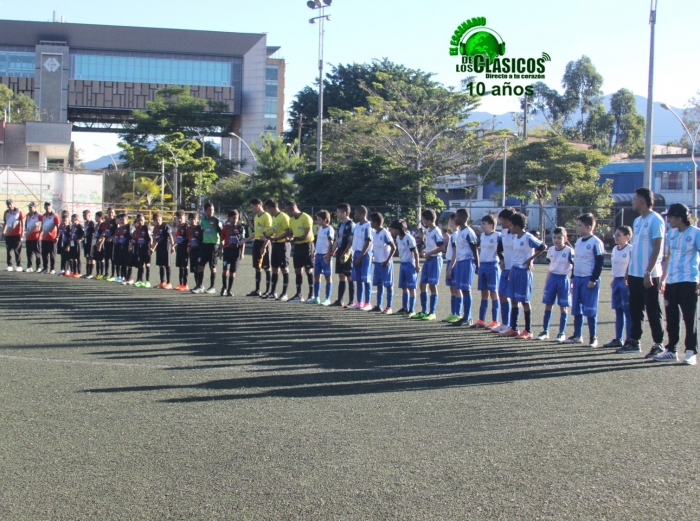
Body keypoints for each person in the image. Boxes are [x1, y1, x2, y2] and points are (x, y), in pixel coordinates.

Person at [616, 188, 665, 357]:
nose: (632, 201)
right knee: (635, 309)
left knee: (653, 309)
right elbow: (636, 249)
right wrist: (629, 270)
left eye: (634, 199)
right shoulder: (637, 221)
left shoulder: (656, 220)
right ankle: (634, 341)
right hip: (636, 274)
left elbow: (658, 248)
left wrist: (648, 272)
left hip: (649, 275)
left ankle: (659, 344)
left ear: (642, 201)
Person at [655, 203, 700, 365]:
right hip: (672, 281)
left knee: (689, 318)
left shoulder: (696, 233)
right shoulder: (671, 233)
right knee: (672, 318)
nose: (669, 221)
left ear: (679, 218)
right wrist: (663, 278)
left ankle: (690, 352)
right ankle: (671, 350)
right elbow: (668, 257)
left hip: (689, 281)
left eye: (671, 218)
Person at [501, 212, 546, 339]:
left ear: (516, 226)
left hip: (524, 273)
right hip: (514, 271)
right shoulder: (515, 237)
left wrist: (531, 259)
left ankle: (528, 330)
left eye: (511, 225)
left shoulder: (528, 237)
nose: (509, 228)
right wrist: (511, 270)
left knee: (524, 301)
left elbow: (543, 246)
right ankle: (514, 328)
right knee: (514, 300)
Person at [563, 214, 605, 347]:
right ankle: (577, 335)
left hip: (589, 280)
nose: (578, 228)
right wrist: (573, 277)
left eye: (580, 225)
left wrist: (593, 279)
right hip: (578, 279)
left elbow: (599, 262)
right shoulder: (579, 241)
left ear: (588, 227)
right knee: (576, 308)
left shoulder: (596, 242)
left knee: (590, 310)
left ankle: (593, 337)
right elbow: (577, 261)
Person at [536, 227, 574, 342]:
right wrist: (546, 282)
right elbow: (550, 267)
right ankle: (545, 331)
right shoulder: (551, 250)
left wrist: (571, 283)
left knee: (563, 307)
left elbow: (574, 268)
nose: (556, 240)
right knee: (548, 304)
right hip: (552, 279)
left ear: (565, 239)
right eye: (554, 237)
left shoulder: (569, 251)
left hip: (563, 279)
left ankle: (561, 333)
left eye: (559, 238)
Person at [446, 208, 479, 326]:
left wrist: (477, 265)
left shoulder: (469, 232)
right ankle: (464, 317)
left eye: (457, 217)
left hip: (467, 262)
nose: (455, 219)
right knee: (461, 289)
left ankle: (468, 317)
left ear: (463, 218)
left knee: (466, 290)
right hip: (460, 262)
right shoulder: (459, 232)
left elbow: (475, 249)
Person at [603, 226, 633, 348]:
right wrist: (614, 278)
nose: (616, 237)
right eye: (615, 234)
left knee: (628, 311)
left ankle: (630, 339)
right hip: (616, 281)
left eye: (619, 235)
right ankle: (618, 338)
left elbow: (632, 266)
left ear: (627, 237)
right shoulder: (615, 249)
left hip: (627, 282)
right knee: (618, 311)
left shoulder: (631, 249)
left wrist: (627, 278)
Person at [414, 209, 445, 321]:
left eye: (423, 219)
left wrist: (430, 253)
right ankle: (423, 311)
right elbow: (429, 246)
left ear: (428, 220)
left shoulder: (437, 231)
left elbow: (441, 248)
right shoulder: (428, 231)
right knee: (422, 284)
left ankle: (432, 312)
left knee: (432, 285)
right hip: (428, 259)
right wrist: (424, 251)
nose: (422, 221)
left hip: (435, 260)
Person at [473, 214, 501, 329]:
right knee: (484, 293)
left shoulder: (498, 235)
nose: (481, 226)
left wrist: (499, 254)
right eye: (481, 224)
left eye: (484, 224)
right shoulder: (483, 236)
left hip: (492, 266)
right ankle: (481, 319)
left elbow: (504, 247)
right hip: (483, 266)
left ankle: (495, 320)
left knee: (493, 292)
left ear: (491, 225)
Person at [491, 208, 517, 334]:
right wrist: (501, 259)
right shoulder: (504, 233)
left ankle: (512, 325)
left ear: (508, 220)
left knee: (513, 298)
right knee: (502, 294)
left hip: (515, 269)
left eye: (502, 220)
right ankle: (505, 323)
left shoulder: (518, 234)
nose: (500, 223)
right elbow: (500, 248)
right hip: (505, 269)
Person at [285, 201, 315, 302]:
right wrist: (289, 237)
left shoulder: (306, 218)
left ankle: (311, 294)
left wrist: (294, 239)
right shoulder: (291, 220)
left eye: (288, 211)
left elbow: (307, 235)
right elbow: (290, 233)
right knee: (297, 270)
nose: (287, 213)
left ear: (293, 209)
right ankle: (299, 295)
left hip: (307, 246)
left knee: (308, 270)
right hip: (297, 246)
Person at [390, 219, 420, 317]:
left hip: (410, 264)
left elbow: (415, 252)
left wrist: (417, 265)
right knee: (403, 287)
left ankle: (411, 309)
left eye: (393, 229)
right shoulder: (398, 238)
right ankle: (404, 308)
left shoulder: (409, 238)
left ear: (398, 229)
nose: (392, 231)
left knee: (411, 287)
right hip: (402, 264)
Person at [262, 199, 291, 301]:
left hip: (283, 245)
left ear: (271, 208)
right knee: (275, 268)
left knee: (284, 268)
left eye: (267, 209)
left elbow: (288, 232)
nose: (267, 211)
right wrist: (268, 235)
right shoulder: (274, 217)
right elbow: (274, 230)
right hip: (275, 244)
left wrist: (277, 238)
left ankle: (284, 293)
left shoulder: (283, 217)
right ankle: (273, 292)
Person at [243, 198, 272, 297]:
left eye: (252, 207)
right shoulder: (256, 217)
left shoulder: (267, 216)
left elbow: (269, 234)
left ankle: (268, 291)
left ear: (257, 206)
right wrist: (245, 240)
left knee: (267, 267)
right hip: (257, 243)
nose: (251, 209)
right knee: (257, 267)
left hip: (264, 244)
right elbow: (256, 233)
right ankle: (257, 290)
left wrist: (264, 247)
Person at [369, 212, 396, 313]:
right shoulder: (374, 232)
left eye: (371, 221)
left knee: (388, 285)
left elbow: (393, 247)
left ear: (375, 222)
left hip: (385, 264)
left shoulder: (385, 233)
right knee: (379, 284)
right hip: (377, 263)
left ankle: (389, 307)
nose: (370, 223)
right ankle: (378, 305)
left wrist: (387, 260)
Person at [195, 202, 223, 295]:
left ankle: (212, 287)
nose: (211, 212)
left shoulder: (216, 221)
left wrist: (220, 247)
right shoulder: (202, 221)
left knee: (212, 267)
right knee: (200, 266)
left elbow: (222, 234)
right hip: (204, 245)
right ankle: (200, 286)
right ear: (205, 210)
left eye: (212, 210)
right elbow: (202, 232)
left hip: (213, 245)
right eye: (209, 210)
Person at [309, 209, 336, 306]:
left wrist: (329, 255)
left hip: (325, 255)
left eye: (319, 220)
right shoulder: (320, 229)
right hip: (318, 255)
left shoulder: (330, 229)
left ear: (325, 220)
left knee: (328, 277)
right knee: (316, 276)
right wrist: (314, 252)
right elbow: (318, 241)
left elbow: (331, 243)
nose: (317, 221)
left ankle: (327, 298)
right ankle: (316, 297)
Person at [331, 203, 355, 307]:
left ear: (344, 213)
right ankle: (340, 300)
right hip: (340, 251)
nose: (336, 214)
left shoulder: (351, 225)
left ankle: (351, 301)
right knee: (341, 275)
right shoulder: (340, 225)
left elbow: (351, 242)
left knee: (349, 276)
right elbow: (336, 240)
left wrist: (345, 253)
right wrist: (332, 252)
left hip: (347, 252)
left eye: (338, 212)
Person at [350, 205, 373, 310]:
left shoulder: (368, 226)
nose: (354, 215)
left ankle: (368, 303)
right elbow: (353, 241)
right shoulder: (357, 226)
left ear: (362, 214)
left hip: (365, 254)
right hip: (356, 253)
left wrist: (360, 256)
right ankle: (359, 302)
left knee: (366, 279)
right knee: (358, 279)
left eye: (356, 213)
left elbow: (368, 242)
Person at [442, 214, 463, 323]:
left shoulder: (456, 235)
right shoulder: (453, 235)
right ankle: (453, 312)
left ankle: (458, 314)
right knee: (452, 289)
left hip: (454, 263)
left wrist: (451, 268)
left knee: (456, 289)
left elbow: (455, 253)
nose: (449, 222)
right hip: (450, 262)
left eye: (450, 220)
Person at [220, 210, 246, 296]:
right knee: (225, 270)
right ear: (229, 218)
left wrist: (242, 253)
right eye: (233, 218)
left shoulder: (240, 228)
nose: (235, 220)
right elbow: (222, 239)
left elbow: (243, 241)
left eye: (236, 218)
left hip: (236, 252)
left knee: (233, 271)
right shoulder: (225, 228)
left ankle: (229, 290)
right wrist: (221, 249)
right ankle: (224, 287)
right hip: (227, 251)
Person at [151, 212, 175, 289]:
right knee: (161, 265)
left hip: (166, 246)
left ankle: (169, 282)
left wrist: (172, 246)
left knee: (167, 265)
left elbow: (170, 236)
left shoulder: (165, 226)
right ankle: (162, 282)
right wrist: (153, 248)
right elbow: (156, 240)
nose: (158, 221)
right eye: (156, 220)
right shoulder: (156, 228)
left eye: (159, 219)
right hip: (160, 247)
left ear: (161, 219)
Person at [128, 213, 151, 287]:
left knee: (147, 264)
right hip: (139, 249)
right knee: (140, 264)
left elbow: (151, 238)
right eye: (139, 220)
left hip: (146, 248)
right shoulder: (137, 229)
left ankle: (147, 281)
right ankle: (139, 280)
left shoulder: (146, 227)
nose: (140, 222)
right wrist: (131, 245)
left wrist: (151, 247)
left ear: (144, 220)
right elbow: (135, 239)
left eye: (141, 220)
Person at [2, 198, 24, 271]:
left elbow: (22, 221)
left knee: (17, 250)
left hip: (17, 234)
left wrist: (22, 231)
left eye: (10, 203)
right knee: (9, 250)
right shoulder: (6, 212)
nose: (9, 205)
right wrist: (3, 232)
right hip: (8, 235)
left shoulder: (18, 211)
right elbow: (5, 222)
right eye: (8, 204)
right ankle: (9, 265)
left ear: (13, 203)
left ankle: (19, 265)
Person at [39, 201, 59, 274]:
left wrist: (57, 237)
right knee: (44, 254)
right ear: (44, 207)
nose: (48, 207)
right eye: (46, 206)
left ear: (51, 207)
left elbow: (58, 227)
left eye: (49, 206)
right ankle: (45, 268)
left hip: (52, 238)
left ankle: (52, 268)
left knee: (52, 254)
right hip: (44, 238)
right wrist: (40, 234)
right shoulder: (43, 216)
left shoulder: (55, 216)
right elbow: (42, 226)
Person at [186, 212, 203, 291]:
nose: (193, 220)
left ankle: (200, 285)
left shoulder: (199, 228)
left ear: (197, 220)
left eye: (195, 219)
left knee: (198, 268)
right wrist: (189, 249)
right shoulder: (188, 229)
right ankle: (197, 284)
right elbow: (188, 239)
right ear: (189, 220)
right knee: (194, 269)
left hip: (199, 251)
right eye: (191, 219)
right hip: (192, 250)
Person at [173, 210, 189, 290]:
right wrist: (173, 245)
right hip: (179, 247)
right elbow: (178, 237)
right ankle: (180, 283)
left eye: (181, 218)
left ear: (184, 217)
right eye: (178, 218)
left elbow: (189, 237)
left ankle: (185, 284)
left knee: (185, 265)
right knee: (180, 266)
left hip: (185, 248)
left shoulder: (186, 226)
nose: (179, 220)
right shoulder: (179, 227)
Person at [102, 207, 119, 281]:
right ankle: (106, 274)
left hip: (112, 242)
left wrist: (112, 237)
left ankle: (113, 275)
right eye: (109, 212)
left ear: (114, 213)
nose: (110, 214)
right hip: (106, 241)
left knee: (112, 258)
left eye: (112, 212)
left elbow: (117, 231)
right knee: (106, 258)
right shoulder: (106, 221)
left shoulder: (115, 221)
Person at [114, 213, 132, 284]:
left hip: (127, 247)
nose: (121, 221)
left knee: (128, 263)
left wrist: (130, 245)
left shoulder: (129, 227)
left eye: (123, 219)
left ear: (127, 220)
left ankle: (129, 278)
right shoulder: (120, 228)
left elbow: (132, 236)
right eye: (120, 219)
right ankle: (124, 278)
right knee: (123, 264)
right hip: (121, 247)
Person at [24, 202, 42, 273]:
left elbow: (42, 223)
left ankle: (38, 267)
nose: (30, 208)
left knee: (37, 252)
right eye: (29, 207)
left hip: (36, 236)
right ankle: (29, 266)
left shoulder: (39, 215)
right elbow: (26, 224)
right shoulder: (28, 215)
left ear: (35, 207)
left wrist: (38, 230)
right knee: (29, 253)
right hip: (28, 237)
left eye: (31, 207)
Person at [68, 213, 84, 277]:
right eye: (71, 218)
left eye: (73, 219)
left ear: (76, 219)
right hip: (72, 243)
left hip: (77, 243)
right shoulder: (72, 226)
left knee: (78, 257)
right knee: (73, 257)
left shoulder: (79, 226)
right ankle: (74, 271)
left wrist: (80, 239)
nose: (71, 220)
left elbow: (83, 234)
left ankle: (79, 272)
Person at [56, 211, 71, 276]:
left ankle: (67, 269)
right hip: (61, 243)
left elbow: (70, 237)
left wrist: (69, 245)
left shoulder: (69, 227)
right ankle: (62, 269)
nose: (64, 222)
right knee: (62, 256)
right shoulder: (61, 226)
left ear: (68, 220)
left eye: (65, 220)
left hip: (67, 243)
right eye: (63, 220)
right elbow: (59, 233)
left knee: (67, 257)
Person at [82, 209, 95, 279]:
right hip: (86, 241)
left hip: (90, 241)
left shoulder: (91, 223)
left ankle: (90, 273)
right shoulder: (85, 223)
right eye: (83, 215)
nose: (84, 216)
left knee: (91, 256)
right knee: (87, 256)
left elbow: (94, 232)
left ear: (89, 215)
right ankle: (87, 272)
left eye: (85, 215)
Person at [92, 211, 106, 279]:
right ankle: (97, 273)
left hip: (100, 243)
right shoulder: (97, 224)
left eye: (96, 217)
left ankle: (101, 274)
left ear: (100, 217)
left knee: (101, 258)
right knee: (97, 258)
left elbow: (103, 235)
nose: (95, 218)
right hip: (96, 241)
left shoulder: (103, 224)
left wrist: (100, 244)